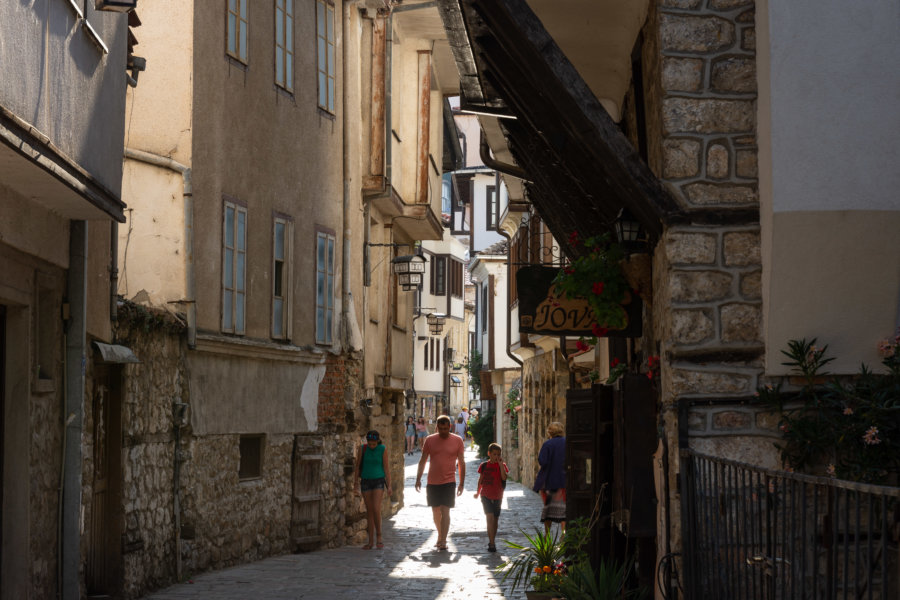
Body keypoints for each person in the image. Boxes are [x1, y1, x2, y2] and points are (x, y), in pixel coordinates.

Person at [415, 415, 466, 550]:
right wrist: (418, 478)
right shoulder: (430, 440)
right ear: (437, 427)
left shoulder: (457, 440)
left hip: (449, 481)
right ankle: (440, 535)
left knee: (445, 511)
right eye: (441, 429)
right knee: (435, 511)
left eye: (446, 428)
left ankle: (443, 540)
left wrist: (462, 483)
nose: (443, 431)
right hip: (432, 481)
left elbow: (461, 462)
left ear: (450, 427)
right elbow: (423, 460)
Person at [353, 430, 392, 549]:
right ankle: (370, 541)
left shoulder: (382, 449)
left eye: (374, 444)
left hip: (378, 481)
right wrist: (355, 483)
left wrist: (389, 485)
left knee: (376, 508)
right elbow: (358, 466)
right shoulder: (362, 449)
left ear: (377, 442)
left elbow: (386, 468)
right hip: (365, 481)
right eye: (370, 444)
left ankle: (379, 536)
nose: (371, 446)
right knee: (369, 511)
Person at [473, 442, 508, 552]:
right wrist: (477, 493)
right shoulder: (484, 466)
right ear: (489, 454)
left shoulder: (502, 465)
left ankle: (492, 539)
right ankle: (491, 543)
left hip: (498, 496)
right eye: (494, 454)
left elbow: (504, 478)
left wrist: (501, 465)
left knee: (495, 520)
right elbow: (481, 480)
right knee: (490, 518)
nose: (496, 457)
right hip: (486, 496)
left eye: (498, 454)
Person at [533, 421, 566, 533]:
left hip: (550, 482)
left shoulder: (548, 444)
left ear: (549, 432)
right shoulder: (567, 442)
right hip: (564, 481)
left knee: (548, 509)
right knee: (564, 509)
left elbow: (543, 461)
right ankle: (563, 535)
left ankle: (547, 537)